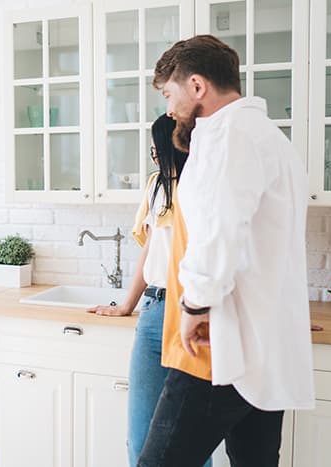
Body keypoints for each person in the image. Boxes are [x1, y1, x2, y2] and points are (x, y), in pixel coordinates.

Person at [137, 35, 315, 466]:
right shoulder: (268, 137)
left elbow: (218, 231)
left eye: (169, 93)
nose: (168, 109)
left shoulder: (227, 136)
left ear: (197, 86)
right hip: (262, 347)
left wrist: (195, 307)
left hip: (220, 345)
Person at [89, 115, 211, 467]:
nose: (155, 159)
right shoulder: (157, 185)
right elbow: (152, 246)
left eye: (159, 152)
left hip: (194, 313)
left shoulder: (205, 187)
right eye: (153, 153)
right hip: (155, 311)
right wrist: (127, 304)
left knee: (192, 442)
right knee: (141, 437)